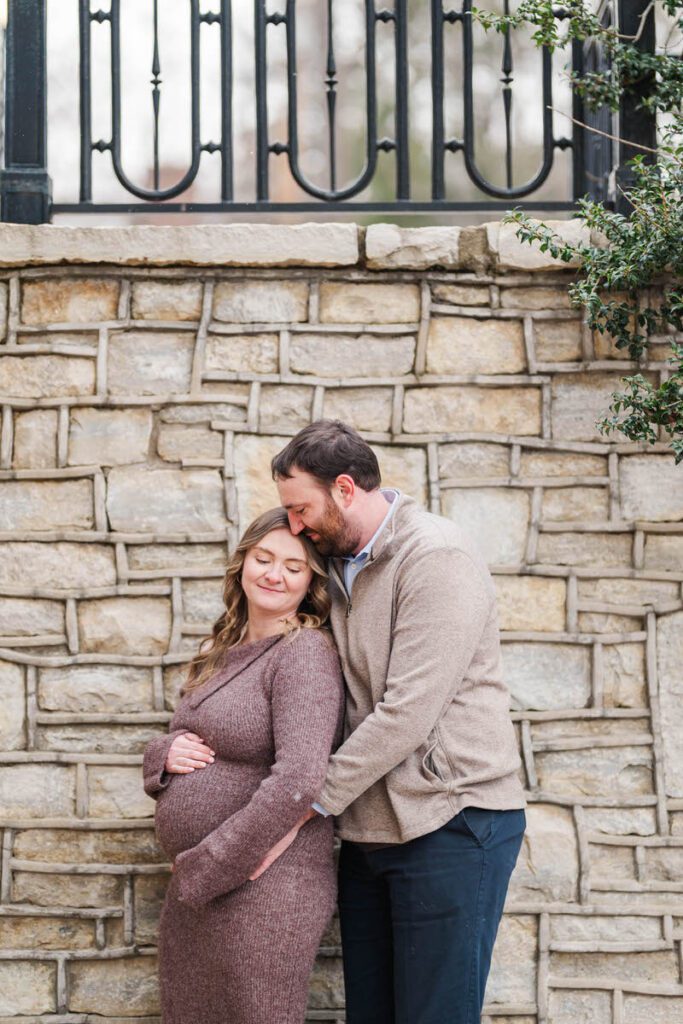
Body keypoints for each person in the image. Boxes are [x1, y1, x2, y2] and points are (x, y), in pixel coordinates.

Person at [255, 420, 526, 1024]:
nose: (294, 526)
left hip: (451, 819)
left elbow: (407, 713)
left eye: (300, 509)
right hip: (369, 829)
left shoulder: (436, 557)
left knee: (435, 1014)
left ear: (344, 489)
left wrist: (305, 800)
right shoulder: (339, 563)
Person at [142, 507, 345, 1024]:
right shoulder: (222, 647)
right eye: (264, 558)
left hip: (264, 884)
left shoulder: (303, 653)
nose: (274, 574)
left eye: (294, 567)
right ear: (242, 564)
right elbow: (184, 735)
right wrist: (160, 757)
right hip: (202, 885)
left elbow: (300, 780)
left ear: (311, 583)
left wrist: (211, 865)